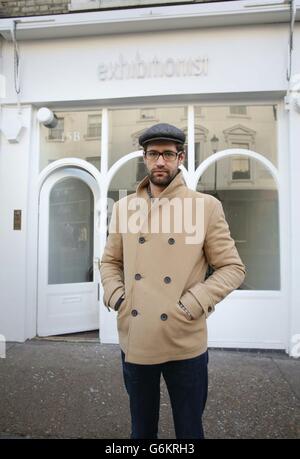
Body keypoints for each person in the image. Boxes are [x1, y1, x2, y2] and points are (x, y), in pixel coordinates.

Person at [100, 123, 245, 439]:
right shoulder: (124, 208)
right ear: (145, 157)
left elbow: (232, 268)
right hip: (136, 336)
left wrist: (191, 304)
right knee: (141, 431)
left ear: (180, 157)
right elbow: (110, 262)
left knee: (190, 430)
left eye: (168, 154)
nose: (160, 161)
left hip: (184, 340)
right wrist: (118, 298)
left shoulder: (206, 207)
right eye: (153, 154)